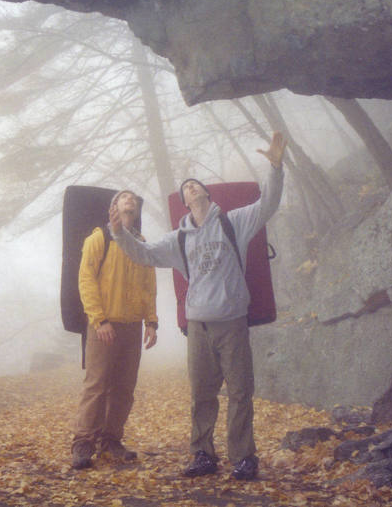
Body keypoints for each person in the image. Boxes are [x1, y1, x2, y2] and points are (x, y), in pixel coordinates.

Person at [110, 132, 287, 481]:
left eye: (195, 184)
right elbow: (143, 254)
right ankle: (203, 455)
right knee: (201, 395)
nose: (191, 188)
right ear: (184, 200)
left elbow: (268, 203)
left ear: (206, 193)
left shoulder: (232, 222)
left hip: (232, 322)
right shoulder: (178, 239)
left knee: (240, 392)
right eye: (186, 187)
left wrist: (276, 166)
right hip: (198, 327)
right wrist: (119, 233)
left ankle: (244, 457)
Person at [71, 189, 159, 470]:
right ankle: (83, 443)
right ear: (114, 207)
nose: (130, 199)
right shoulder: (100, 238)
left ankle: (111, 441)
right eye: (123, 197)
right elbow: (86, 280)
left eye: (134, 198)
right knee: (96, 385)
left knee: (124, 388)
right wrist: (99, 320)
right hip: (104, 325)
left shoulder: (142, 243)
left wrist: (152, 322)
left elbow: (149, 287)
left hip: (132, 326)